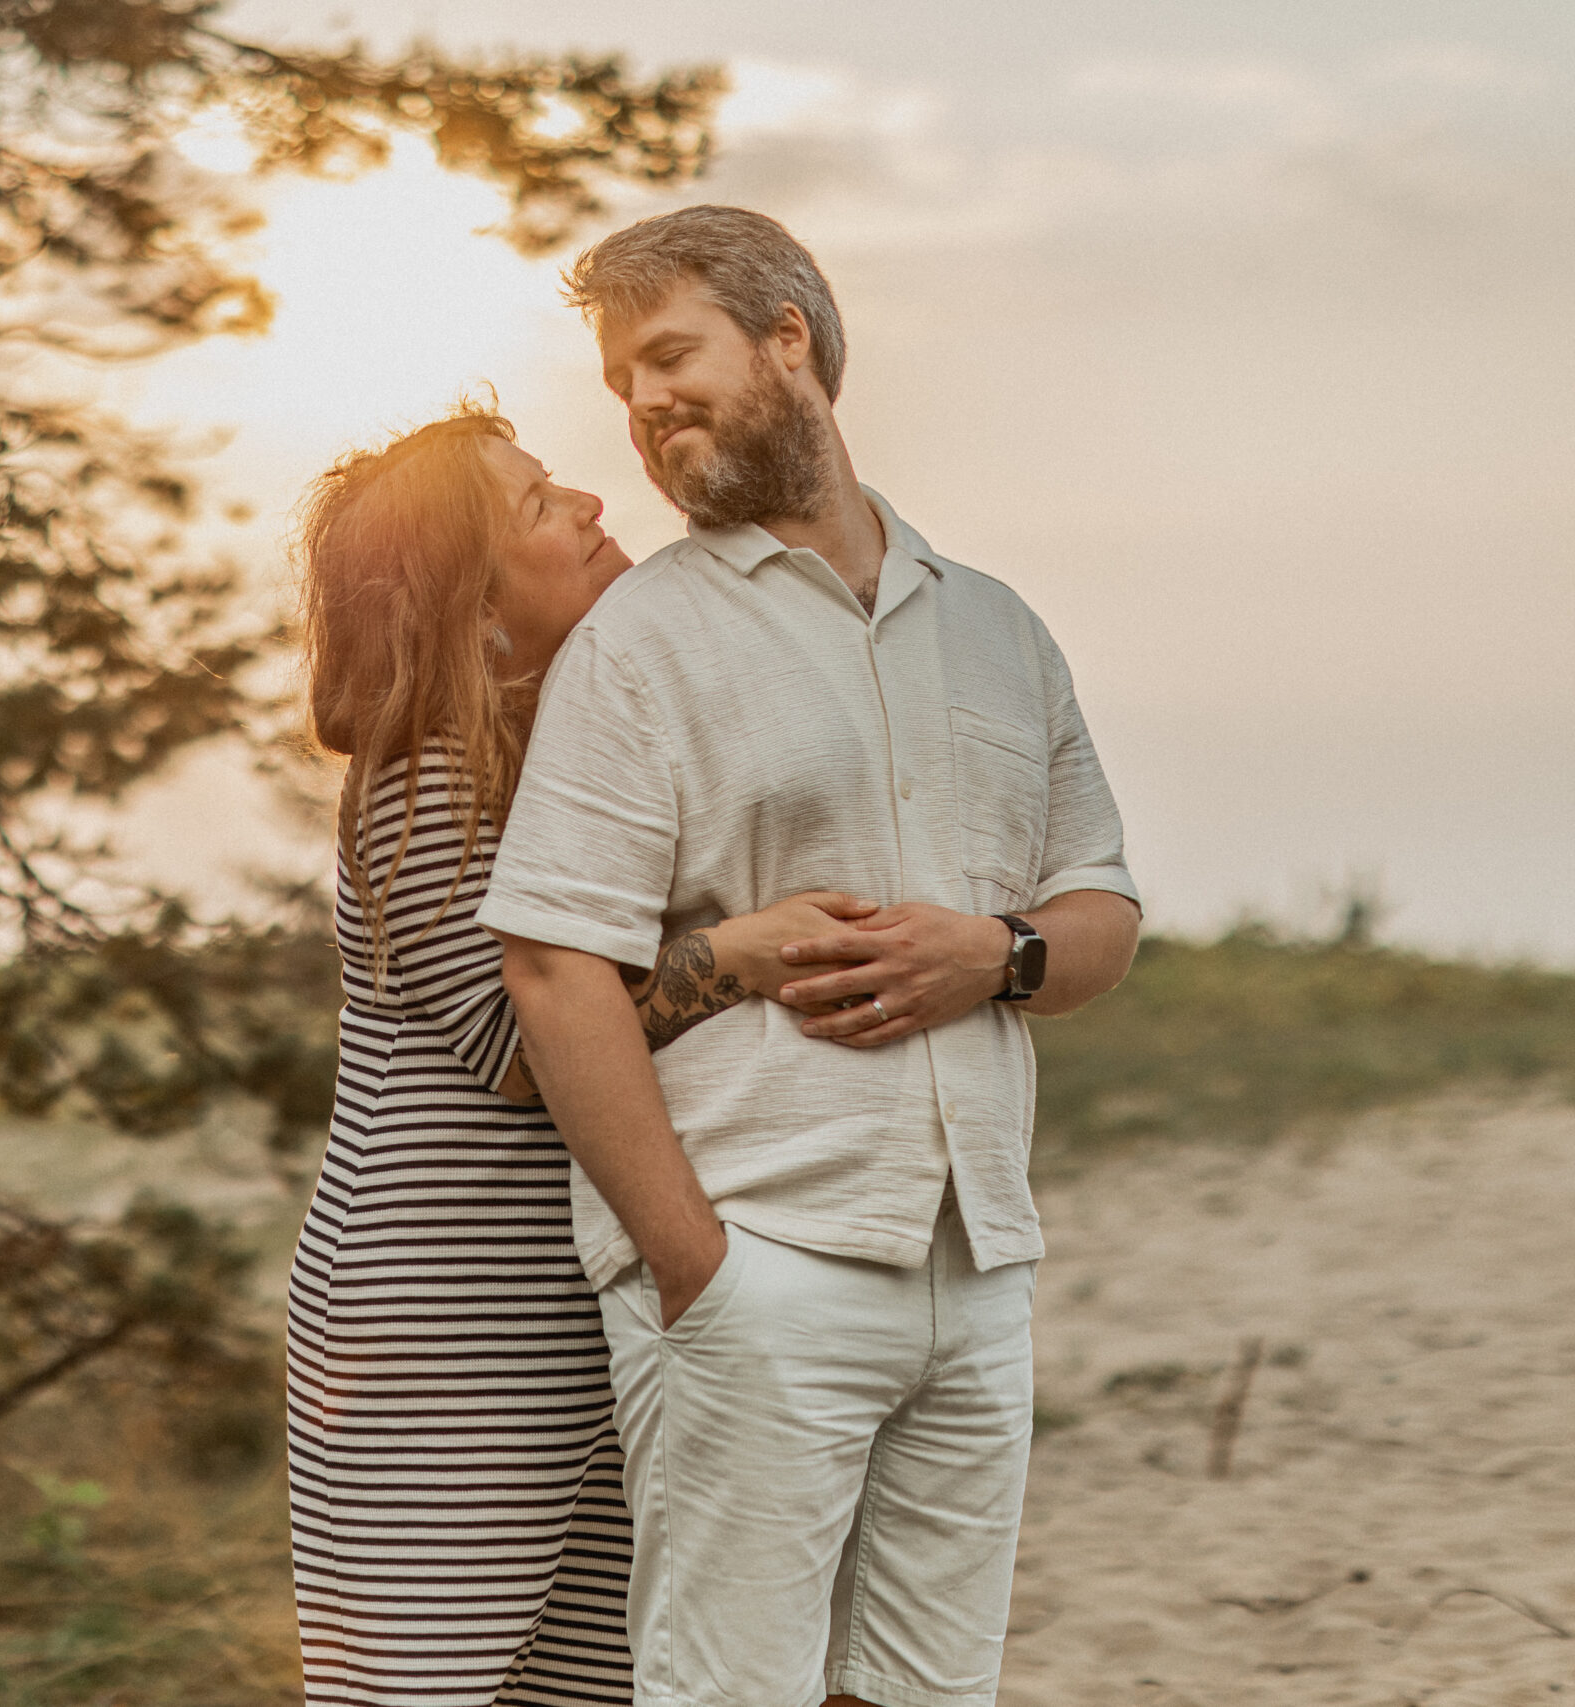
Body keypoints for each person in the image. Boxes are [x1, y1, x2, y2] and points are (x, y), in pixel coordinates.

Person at [479, 206, 1144, 1707]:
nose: (643, 405)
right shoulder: (638, 643)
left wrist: (1004, 951)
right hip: (755, 1257)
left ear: (792, 339)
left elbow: (1103, 911)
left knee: (927, 1692)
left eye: (670, 354)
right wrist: (693, 1269)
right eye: (621, 384)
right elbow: (552, 970)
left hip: (977, 1266)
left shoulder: (999, 631)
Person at [289, 406, 882, 1707]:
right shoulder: (423, 777)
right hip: (448, 1322)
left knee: (605, 1682)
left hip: (608, 1298)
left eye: (564, 484)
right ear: (470, 608)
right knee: (420, 1684)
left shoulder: (582, 758)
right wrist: (738, 954)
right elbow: (519, 1050)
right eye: (537, 505)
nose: (591, 508)